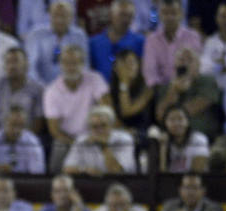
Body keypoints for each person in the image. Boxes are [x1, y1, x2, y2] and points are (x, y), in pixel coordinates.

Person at [43, 44, 110, 172]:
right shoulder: (51, 91)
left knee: (117, 142)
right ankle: (55, 181)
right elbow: (54, 130)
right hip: (67, 139)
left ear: (83, 63)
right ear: (60, 64)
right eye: (66, 63)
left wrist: (95, 136)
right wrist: (77, 144)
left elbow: (107, 110)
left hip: (95, 133)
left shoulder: (95, 79)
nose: (70, 67)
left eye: (75, 62)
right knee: (59, 146)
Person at [154, 46, 223, 141]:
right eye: (181, 59)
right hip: (171, 138)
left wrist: (171, 115)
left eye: (190, 60)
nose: (185, 63)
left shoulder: (207, 81)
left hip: (202, 136)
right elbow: (160, 115)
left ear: (198, 65)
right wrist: (173, 91)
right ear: (174, 65)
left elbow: (195, 107)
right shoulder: (167, 86)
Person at [0, 47, 45, 137]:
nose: (11, 66)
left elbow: (38, 121)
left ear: (26, 65)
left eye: (15, 61)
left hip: (27, 140)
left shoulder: (38, 89)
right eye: (8, 62)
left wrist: (25, 140)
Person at [24, 2, 89, 85]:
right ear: (49, 15)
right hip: (40, 88)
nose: (59, 20)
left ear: (72, 18)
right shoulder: (36, 35)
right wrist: (42, 89)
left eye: (64, 16)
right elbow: (30, 67)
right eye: (56, 15)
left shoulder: (79, 36)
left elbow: (85, 66)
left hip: (72, 87)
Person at [142, 0, 202, 87]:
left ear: (181, 14)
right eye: (165, 13)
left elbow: (196, 67)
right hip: (161, 89)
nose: (169, 17)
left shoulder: (192, 37)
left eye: (174, 13)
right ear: (159, 14)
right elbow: (150, 73)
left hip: (188, 86)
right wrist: (162, 90)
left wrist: (182, 84)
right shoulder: (151, 40)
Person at [62, 105, 137, 175]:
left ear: (112, 125)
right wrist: (85, 169)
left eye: (103, 125)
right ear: (89, 128)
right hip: (93, 183)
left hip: (121, 182)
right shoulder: (82, 140)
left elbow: (118, 171)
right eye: (95, 127)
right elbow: (66, 169)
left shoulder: (124, 139)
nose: (99, 130)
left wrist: (104, 146)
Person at [0, 106, 45, 174]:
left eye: (21, 126)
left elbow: (37, 173)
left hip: (24, 183)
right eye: (13, 124)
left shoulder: (33, 143)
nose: (16, 130)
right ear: (5, 122)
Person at [88, 0, 145, 82]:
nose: (125, 19)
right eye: (122, 15)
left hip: (130, 91)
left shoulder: (140, 42)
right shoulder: (94, 43)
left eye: (129, 16)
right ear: (111, 15)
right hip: (99, 91)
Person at [154, 173, 224, 211]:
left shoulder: (214, 208)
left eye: (194, 188)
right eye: (187, 187)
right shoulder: (170, 205)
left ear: (203, 191)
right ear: (180, 190)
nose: (190, 192)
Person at [109, 48, 153, 133]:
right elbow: (113, 118)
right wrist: (124, 131)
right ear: (116, 69)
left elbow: (126, 111)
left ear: (139, 65)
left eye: (131, 62)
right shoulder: (110, 90)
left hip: (144, 132)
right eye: (123, 64)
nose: (128, 67)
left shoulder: (148, 89)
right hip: (121, 132)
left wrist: (124, 83)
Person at [158, 104, 209, 172]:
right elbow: (162, 173)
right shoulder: (162, 140)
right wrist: (163, 148)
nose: (176, 123)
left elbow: (198, 171)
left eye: (180, 119)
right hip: (169, 181)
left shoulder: (199, 139)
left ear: (187, 121)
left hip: (192, 180)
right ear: (165, 123)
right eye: (172, 120)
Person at [78, 182, 149, 211]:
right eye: (115, 205)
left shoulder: (139, 210)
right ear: (108, 204)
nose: (118, 208)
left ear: (129, 202)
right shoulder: (103, 209)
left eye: (121, 204)